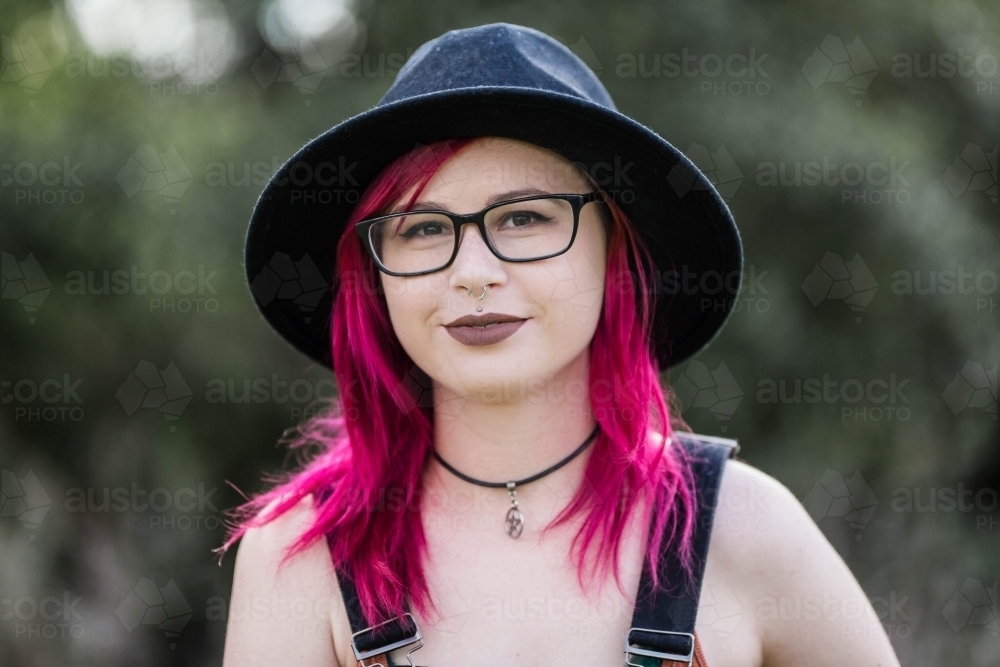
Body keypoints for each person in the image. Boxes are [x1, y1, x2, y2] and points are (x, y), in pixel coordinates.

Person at [221, 23, 902, 667]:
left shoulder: (743, 528)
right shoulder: (298, 555)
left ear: (616, 252)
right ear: (374, 274)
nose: (474, 272)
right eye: (423, 228)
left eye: (523, 217)